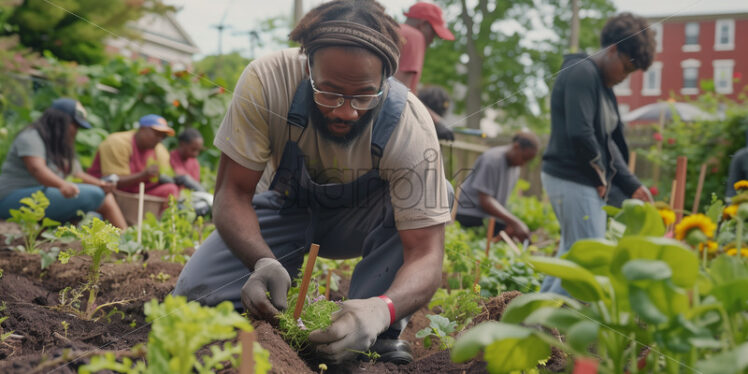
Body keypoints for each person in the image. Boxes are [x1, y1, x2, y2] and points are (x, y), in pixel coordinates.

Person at [173, 0, 451, 365]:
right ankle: (271, 291)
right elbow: (232, 193)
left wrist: (382, 309)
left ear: (385, 79)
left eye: (364, 96)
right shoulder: (268, 81)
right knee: (196, 298)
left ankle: (371, 332)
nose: (345, 111)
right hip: (286, 209)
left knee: (439, 193)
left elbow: (426, 254)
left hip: (363, 222)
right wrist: (260, 261)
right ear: (308, 67)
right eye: (329, 92)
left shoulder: (410, 125)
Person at [540, 12, 655, 295]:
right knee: (587, 266)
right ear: (613, 49)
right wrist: (599, 173)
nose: (625, 78)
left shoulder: (603, 88)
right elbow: (580, 132)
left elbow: (608, 143)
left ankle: (532, 325)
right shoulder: (581, 71)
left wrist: (632, 185)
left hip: (580, 180)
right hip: (573, 178)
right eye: (626, 69)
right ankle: (542, 330)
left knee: (571, 257)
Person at [0, 98, 127, 229]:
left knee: (95, 215)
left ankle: (124, 240)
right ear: (60, 121)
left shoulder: (59, 145)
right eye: (75, 125)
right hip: (11, 198)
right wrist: (62, 185)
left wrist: (101, 184)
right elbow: (37, 169)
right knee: (98, 195)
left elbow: (77, 173)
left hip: (40, 197)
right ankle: (127, 239)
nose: (76, 131)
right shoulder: (31, 137)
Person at [456, 132, 539, 242]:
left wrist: (511, 224)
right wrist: (515, 222)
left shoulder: (515, 168)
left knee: (520, 234)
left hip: (487, 217)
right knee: (514, 229)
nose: (523, 164)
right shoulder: (492, 160)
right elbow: (485, 201)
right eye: (524, 158)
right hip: (469, 214)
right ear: (516, 147)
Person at [395, 2, 455, 141]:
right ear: (423, 25)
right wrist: (436, 121)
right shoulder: (414, 36)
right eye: (433, 33)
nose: (433, 40)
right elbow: (400, 92)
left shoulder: (393, 30)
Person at [88, 114, 179, 200]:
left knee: (171, 189)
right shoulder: (117, 142)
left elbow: (166, 175)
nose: (159, 139)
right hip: (109, 192)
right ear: (142, 129)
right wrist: (143, 175)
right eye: (156, 133)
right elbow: (110, 181)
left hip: (138, 193)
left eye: (163, 136)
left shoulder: (159, 150)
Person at [170, 128, 206, 192]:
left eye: (198, 150)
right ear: (182, 144)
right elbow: (178, 175)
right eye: (193, 149)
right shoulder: (171, 157)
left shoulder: (194, 162)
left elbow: (195, 183)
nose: (196, 154)